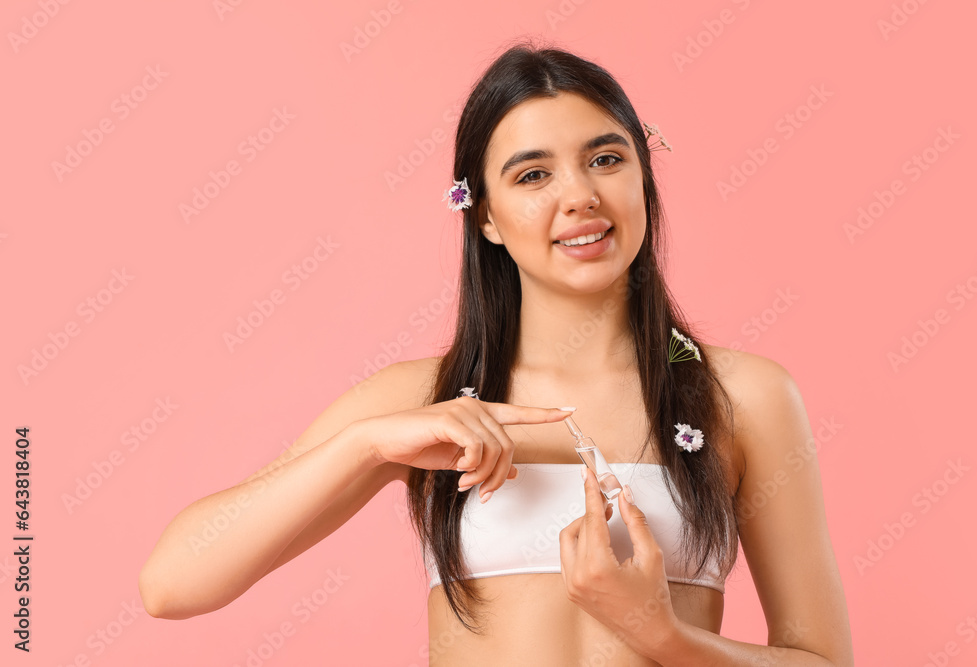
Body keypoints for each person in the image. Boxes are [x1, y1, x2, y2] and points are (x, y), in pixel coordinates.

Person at [139, 40, 854, 666]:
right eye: (533, 174)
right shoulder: (427, 401)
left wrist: (662, 634)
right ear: (483, 214)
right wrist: (366, 444)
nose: (579, 196)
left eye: (605, 158)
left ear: (643, 175)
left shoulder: (743, 396)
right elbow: (173, 583)